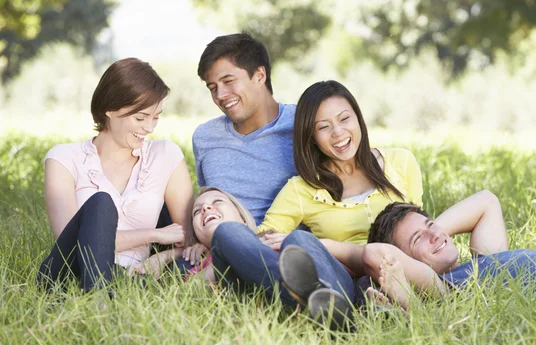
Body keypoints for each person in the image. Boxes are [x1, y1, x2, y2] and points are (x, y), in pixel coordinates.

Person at [38, 58, 194, 292]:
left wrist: (161, 257)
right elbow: (73, 244)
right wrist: (154, 235)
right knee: (101, 203)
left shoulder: (165, 155)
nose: (150, 127)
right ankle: (98, 300)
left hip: (132, 276)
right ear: (110, 110)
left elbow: (187, 238)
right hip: (71, 272)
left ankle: (106, 299)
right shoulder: (63, 159)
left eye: (156, 117)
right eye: (140, 118)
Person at [362, 190, 536, 308]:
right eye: (418, 239)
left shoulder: (485, 264)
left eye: (431, 224)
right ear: (407, 262)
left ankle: (412, 307)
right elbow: (374, 253)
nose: (434, 234)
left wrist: (435, 234)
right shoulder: (444, 283)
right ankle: (413, 307)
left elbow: (486, 201)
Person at [258, 80, 423, 246]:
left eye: (344, 118)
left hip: (405, 266)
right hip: (342, 270)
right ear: (312, 138)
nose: (338, 132)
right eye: (323, 127)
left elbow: (423, 227)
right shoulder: (301, 189)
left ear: (358, 117)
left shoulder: (401, 161)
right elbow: (264, 238)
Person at [184, 187, 355, 329]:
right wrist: (249, 253)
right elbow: (187, 292)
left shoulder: (278, 236)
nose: (206, 209)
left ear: (243, 218)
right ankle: (316, 301)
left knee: (300, 237)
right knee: (226, 232)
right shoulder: (204, 262)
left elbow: (338, 267)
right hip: (264, 296)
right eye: (197, 211)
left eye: (217, 202)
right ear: (197, 234)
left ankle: (327, 301)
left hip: (335, 285)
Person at [193, 33, 297, 226]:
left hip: (287, 246)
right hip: (223, 246)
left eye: (228, 81)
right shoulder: (205, 137)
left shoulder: (303, 124)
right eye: (212, 87)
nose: (220, 95)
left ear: (259, 76)